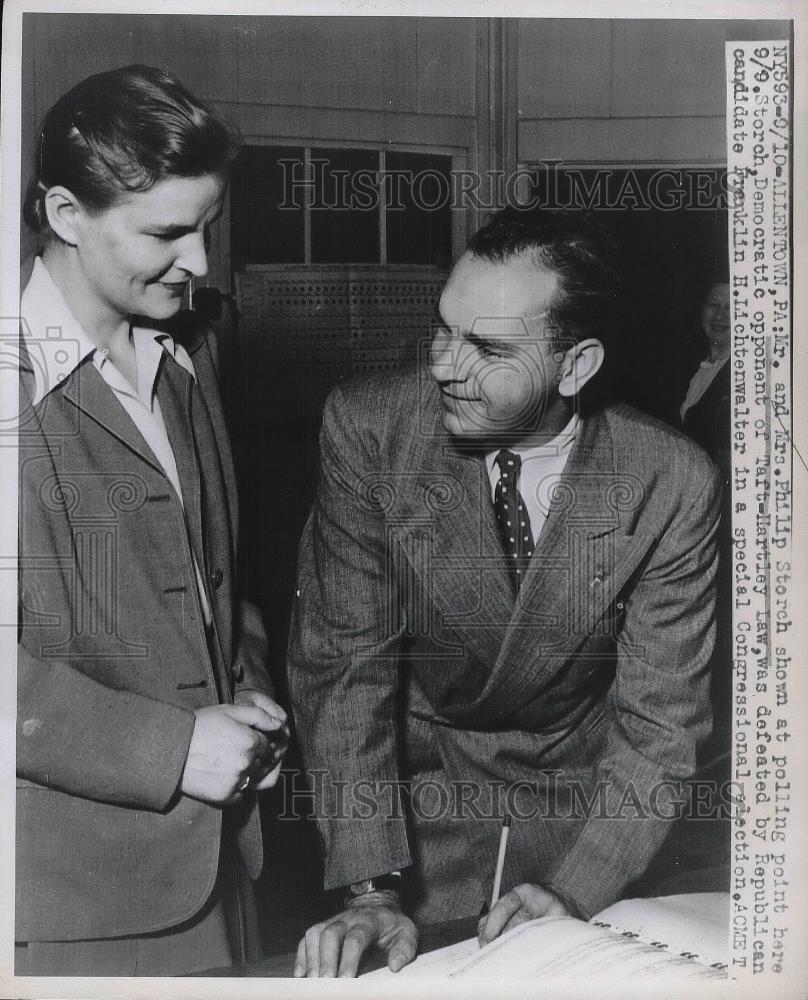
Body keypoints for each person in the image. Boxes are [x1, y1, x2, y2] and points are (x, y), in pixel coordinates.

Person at [287, 208, 721, 977]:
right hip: (416, 825)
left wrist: (575, 890)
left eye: (487, 348)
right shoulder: (369, 428)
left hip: (588, 834)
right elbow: (346, 673)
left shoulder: (671, 481)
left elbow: (660, 725)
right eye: (443, 330)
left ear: (576, 366)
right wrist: (373, 887)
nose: (445, 367)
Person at [16, 65, 288, 976]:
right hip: (76, 906)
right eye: (167, 233)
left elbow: (219, 567)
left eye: (206, 228)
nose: (201, 262)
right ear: (64, 215)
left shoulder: (189, 348)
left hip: (224, 868)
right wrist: (172, 749)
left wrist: (242, 681)